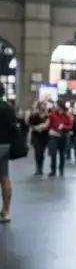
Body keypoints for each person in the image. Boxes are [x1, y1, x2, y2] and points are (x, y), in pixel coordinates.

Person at [0, 83, 17, 223]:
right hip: (4, 145)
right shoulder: (8, 108)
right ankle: (6, 211)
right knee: (4, 177)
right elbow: (14, 127)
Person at [47, 99, 72, 177]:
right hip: (53, 135)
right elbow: (49, 124)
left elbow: (70, 126)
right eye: (57, 106)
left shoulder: (67, 115)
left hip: (63, 136)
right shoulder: (52, 114)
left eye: (59, 106)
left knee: (62, 153)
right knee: (53, 153)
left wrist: (64, 126)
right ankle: (53, 170)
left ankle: (61, 169)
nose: (57, 108)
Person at [28, 101, 50, 175]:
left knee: (41, 152)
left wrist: (43, 127)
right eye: (41, 105)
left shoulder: (47, 115)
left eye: (44, 105)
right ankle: (38, 168)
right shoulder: (34, 115)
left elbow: (49, 125)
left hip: (44, 136)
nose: (42, 106)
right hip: (36, 135)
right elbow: (30, 123)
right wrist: (35, 128)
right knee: (37, 152)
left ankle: (40, 168)